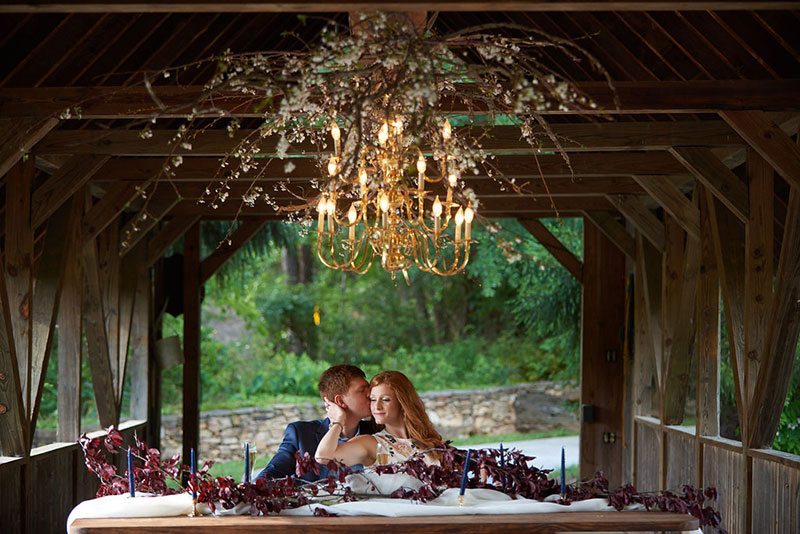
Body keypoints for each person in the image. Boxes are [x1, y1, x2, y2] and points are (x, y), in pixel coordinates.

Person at [256, 364, 378, 482]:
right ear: (340, 401)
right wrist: (339, 422)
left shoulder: (376, 432)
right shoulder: (301, 434)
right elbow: (269, 476)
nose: (370, 394)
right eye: (362, 390)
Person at [315, 370, 443, 467]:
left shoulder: (428, 440)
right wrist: (338, 421)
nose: (377, 406)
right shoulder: (371, 443)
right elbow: (323, 458)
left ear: (403, 403)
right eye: (372, 399)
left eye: (385, 399)